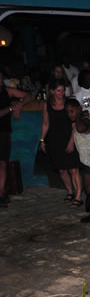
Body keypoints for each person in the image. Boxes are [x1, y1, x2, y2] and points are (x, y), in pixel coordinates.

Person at [40, 78, 83, 206]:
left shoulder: (68, 103)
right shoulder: (47, 105)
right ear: (52, 91)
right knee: (62, 170)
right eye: (58, 91)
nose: (61, 93)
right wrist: (42, 140)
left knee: (74, 169)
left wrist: (71, 141)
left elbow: (74, 123)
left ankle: (79, 196)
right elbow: (46, 123)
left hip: (69, 137)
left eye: (63, 90)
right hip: (54, 140)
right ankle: (70, 192)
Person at [0, 69, 32, 208]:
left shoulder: (7, 91)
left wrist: (19, 105)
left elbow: (29, 96)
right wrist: (11, 108)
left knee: (2, 163)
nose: (0, 80)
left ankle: (1, 194)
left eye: (1, 77)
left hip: (4, 131)